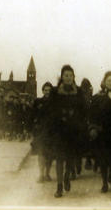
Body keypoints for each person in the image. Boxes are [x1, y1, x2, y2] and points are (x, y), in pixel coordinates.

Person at [42, 65, 86, 198]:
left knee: (71, 157)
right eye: (65, 75)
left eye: (70, 75)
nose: (68, 77)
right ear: (62, 77)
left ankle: (67, 176)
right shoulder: (55, 92)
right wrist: (58, 117)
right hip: (59, 130)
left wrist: (77, 120)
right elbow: (50, 109)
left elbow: (83, 110)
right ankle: (59, 186)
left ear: (73, 77)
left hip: (73, 130)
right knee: (60, 158)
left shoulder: (78, 91)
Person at [31, 82, 54, 183]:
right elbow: (32, 115)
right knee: (41, 153)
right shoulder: (38, 102)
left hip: (51, 132)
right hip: (40, 131)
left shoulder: (55, 103)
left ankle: (47, 173)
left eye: (49, 90)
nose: (47, 92)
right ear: (42, 91)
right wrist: (33, 128)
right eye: (45, 90)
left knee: (50, 154)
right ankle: (41, 174)